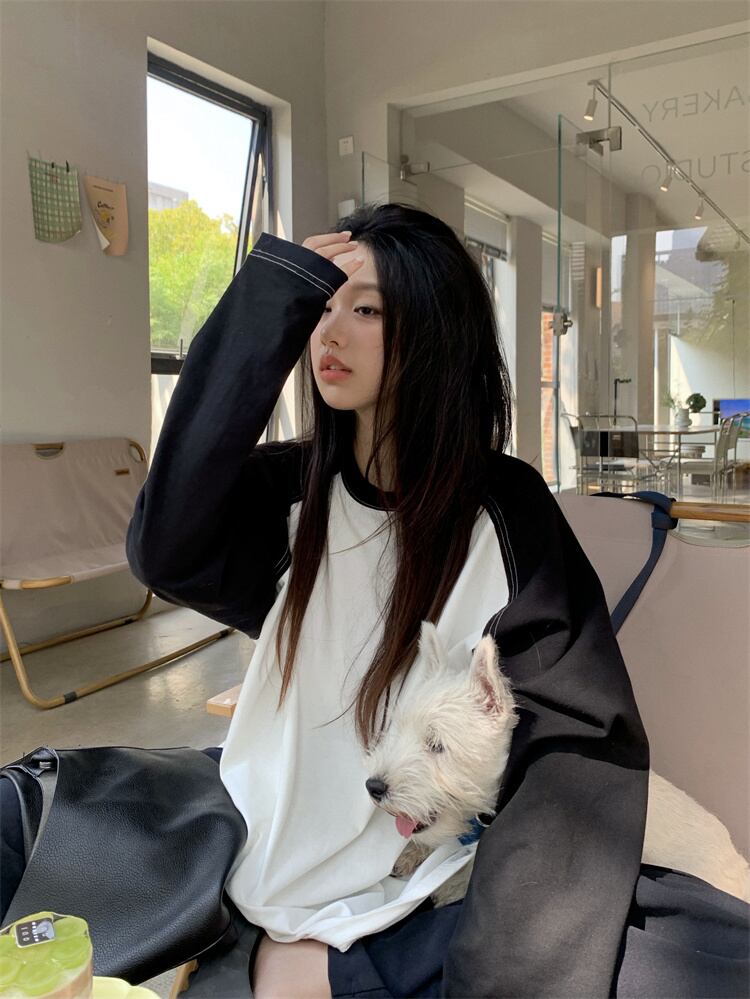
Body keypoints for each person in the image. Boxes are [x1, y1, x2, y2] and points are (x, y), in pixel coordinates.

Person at [2, 203, 747, 998]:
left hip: (417, 867)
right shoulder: (294, 490)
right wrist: (269, 298)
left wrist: (353, 972)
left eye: (366, 310)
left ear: (434, 330)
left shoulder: (506, 511)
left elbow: (576, 747)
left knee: (697, 959)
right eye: (321, 308)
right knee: (21, 813)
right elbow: (164, 549)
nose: (330, 332)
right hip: (253, 815)